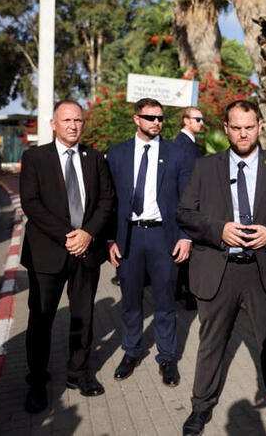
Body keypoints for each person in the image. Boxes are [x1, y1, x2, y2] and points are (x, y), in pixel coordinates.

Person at [177, 100, 266, 436]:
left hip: (264, 273)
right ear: (227, 129)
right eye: (236, 127)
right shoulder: (205, 168)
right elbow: (185, 213)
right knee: (211, 346)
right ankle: (200, 409)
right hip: (219, 269)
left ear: (260, 126)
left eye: (249, 126)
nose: (243, 133)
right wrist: (219, 230)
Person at [19, 100, 115, 413]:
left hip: (86, 251)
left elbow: (106, 200)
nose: (73, 126)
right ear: (53, 123)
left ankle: (79, 373)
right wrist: (68, 235)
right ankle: (36, 381)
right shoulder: (34, 158)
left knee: (83, 317)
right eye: (67, 120)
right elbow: (31, 204)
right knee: (41, 320)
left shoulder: (95, 157)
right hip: (48, 252)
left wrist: (87, 234)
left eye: (78, 120)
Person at [106, 97, 191, 387]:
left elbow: (187, 200)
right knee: (130, 300)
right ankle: (131, 351)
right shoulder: (116, 154)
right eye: (150, 117)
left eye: (160, 118)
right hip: (129, 237)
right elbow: (110, 201)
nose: (157, 122)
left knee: (166, 300)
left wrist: (186, 237)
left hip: (162, 237)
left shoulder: (176, 153)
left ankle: (167, 358)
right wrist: (109, 240)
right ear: (136, 119)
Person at [172, 106, 204, 310]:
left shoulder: (188, 144)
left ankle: (182, 291)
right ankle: (188, 295)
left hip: (187, 208)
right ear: (186, 121)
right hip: (186, 208)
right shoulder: (183, 146)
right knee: (186, 252)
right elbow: (187, 183)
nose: (202, 122)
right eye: (198, 119)